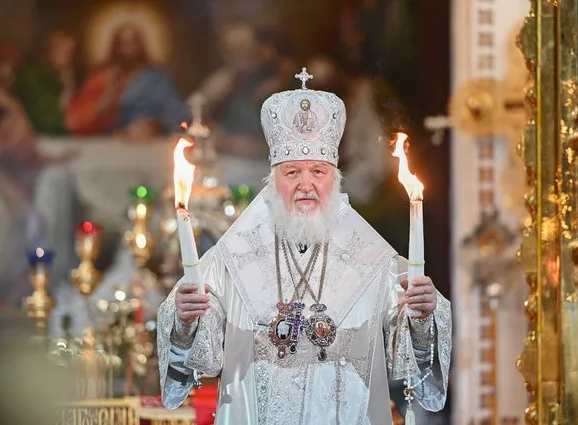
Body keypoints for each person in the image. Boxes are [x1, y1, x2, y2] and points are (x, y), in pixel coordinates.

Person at [156, 70, 452, 424]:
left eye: (318, 172)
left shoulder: (376, 260)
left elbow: (416, 367)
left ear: (336, 178)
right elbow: (196, 349)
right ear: (272, 180)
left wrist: (423, 317)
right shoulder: (232, 257)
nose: (306, 185)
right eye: (292, 172)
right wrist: (185, 321)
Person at [65, 22, 188, 140]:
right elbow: (76, 121)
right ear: (115, 46)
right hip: (111, 146)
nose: (128, 49)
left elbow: (177, 115)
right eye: (123, 43)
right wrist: (103, 104)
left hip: (151, 144)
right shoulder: (101, 79)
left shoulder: (158, 79)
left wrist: (155, 125)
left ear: (140, 45)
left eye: (132, 42)